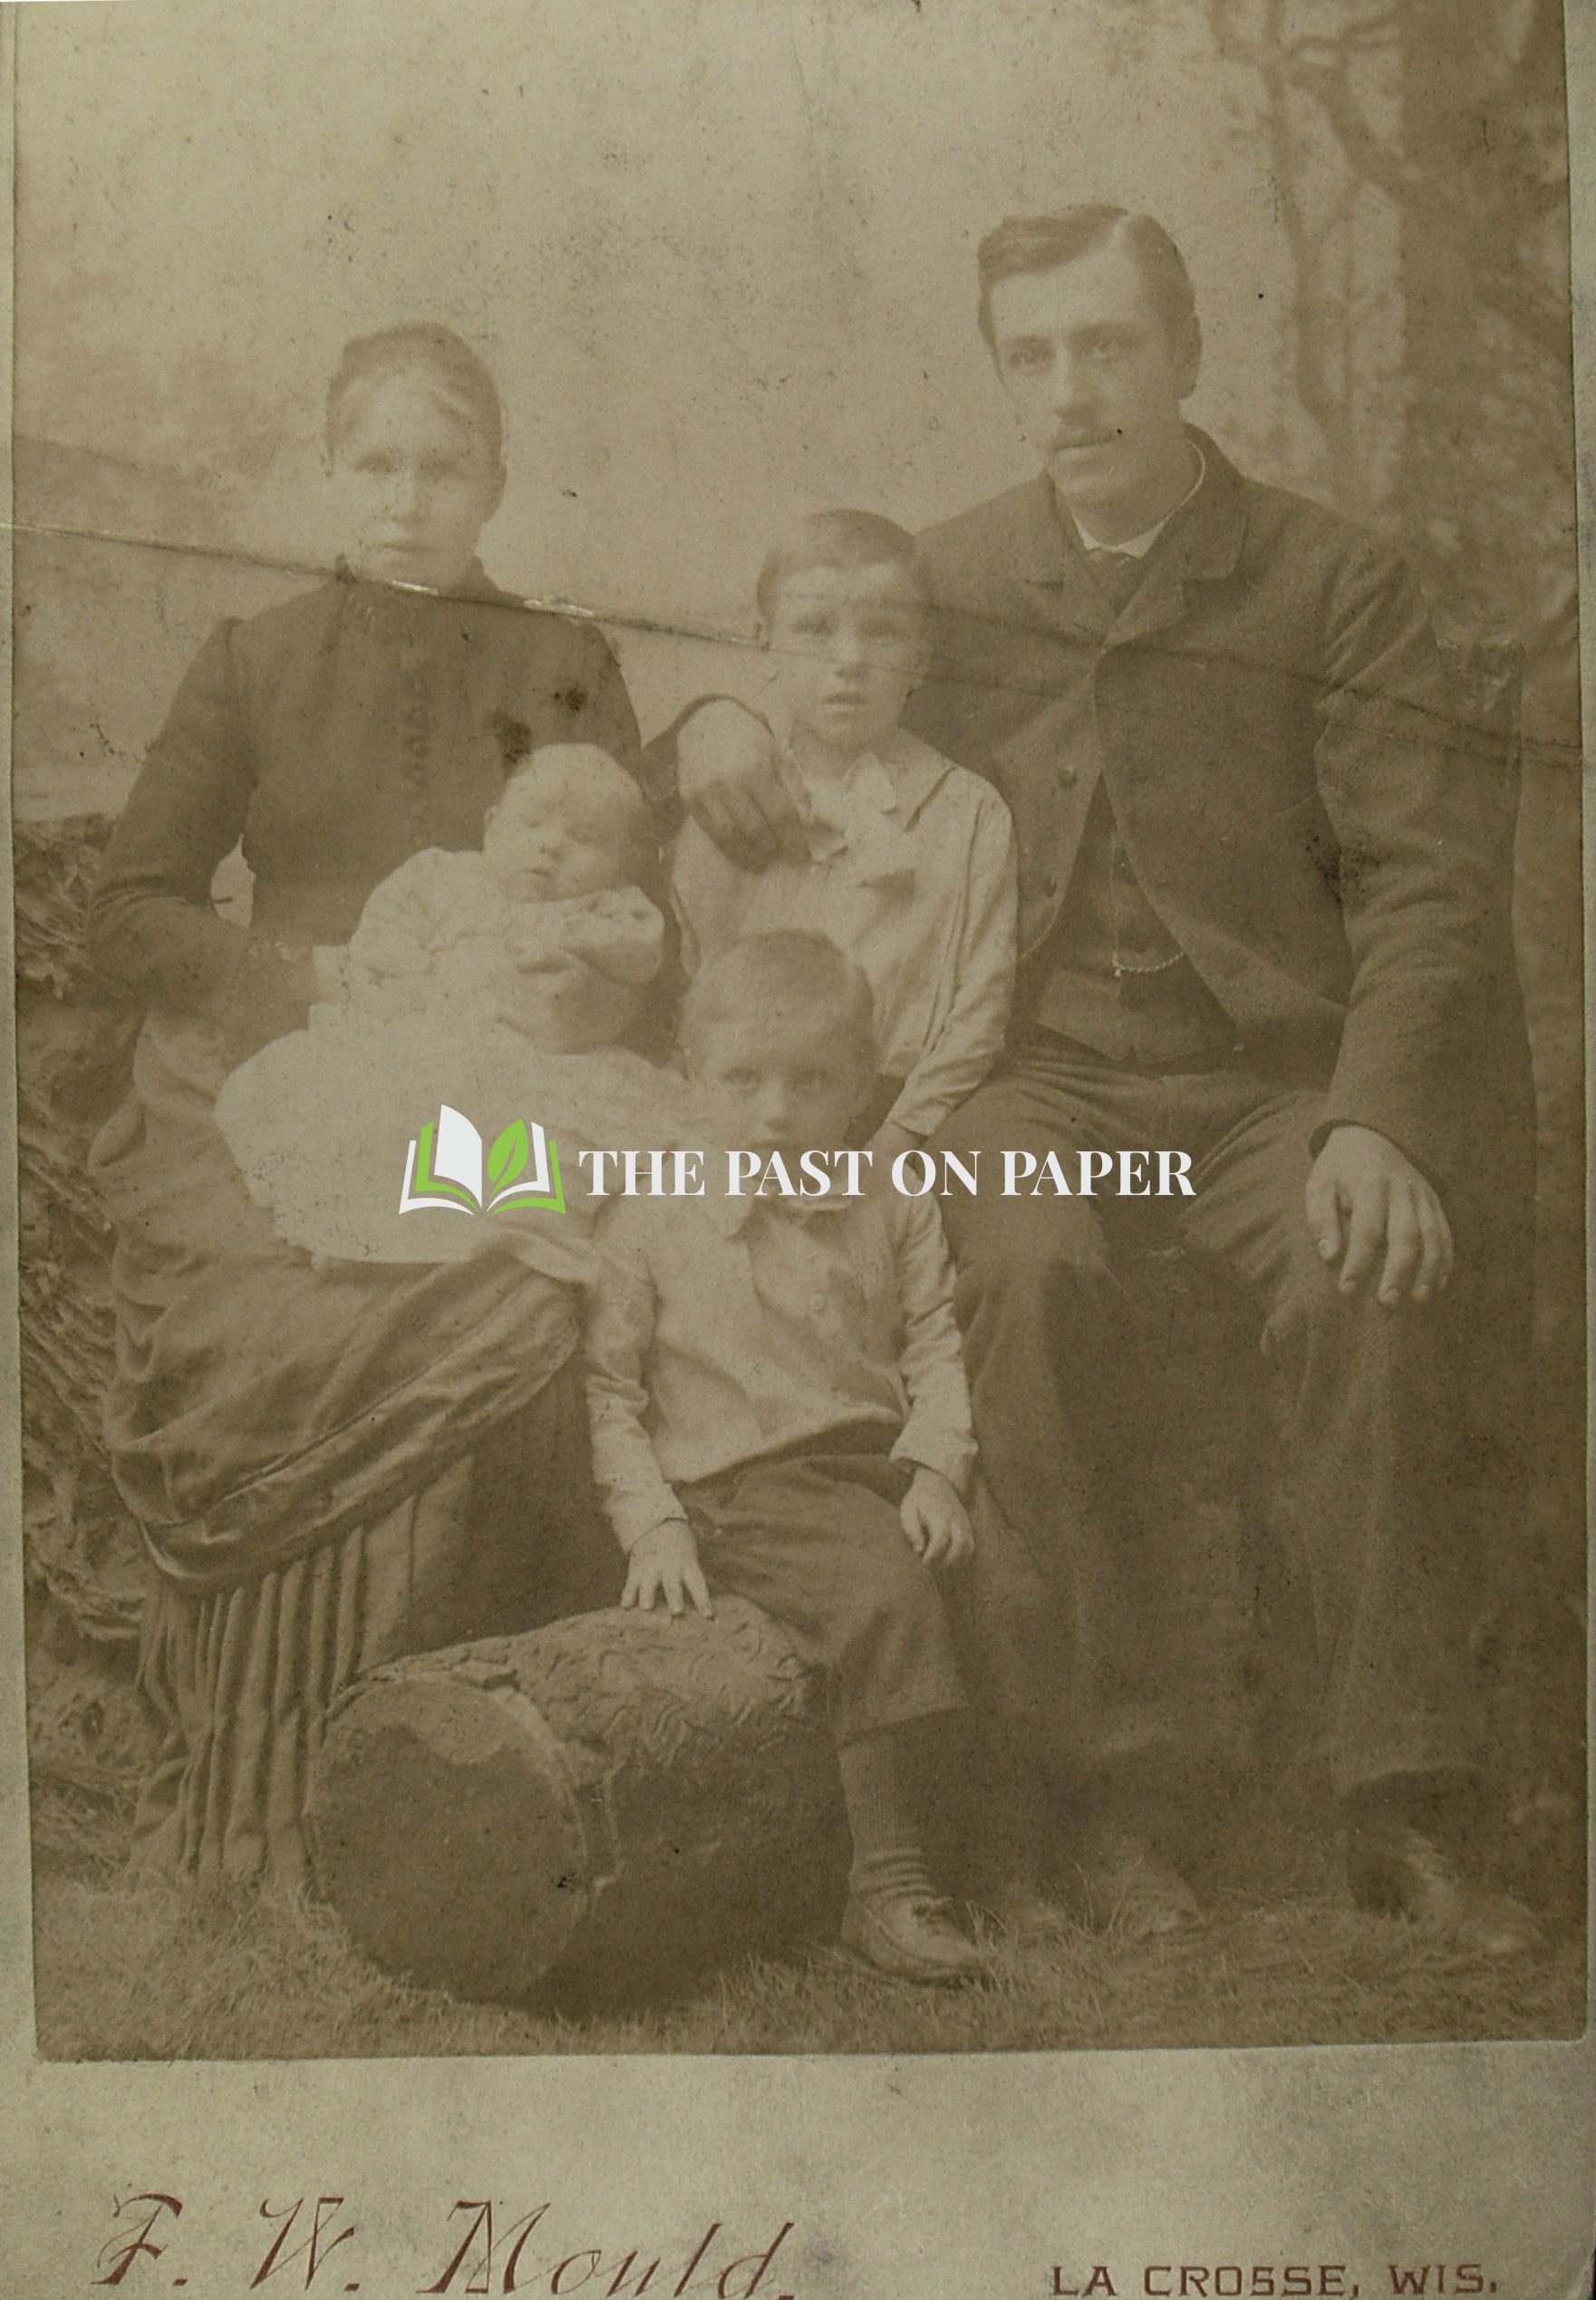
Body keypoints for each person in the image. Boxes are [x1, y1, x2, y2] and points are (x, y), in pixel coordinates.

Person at [664, 208, 1540, 1955]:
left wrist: (1373, 1116)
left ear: (1187, 354)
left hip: (1271, 1084)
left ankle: (1408, 1807)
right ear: (1002, 372)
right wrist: (708, 728)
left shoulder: (1327, 576)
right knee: (1023, 1266)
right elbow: (803, 664)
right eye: (1031, 356)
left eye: (1106, 347)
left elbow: (1429, 878)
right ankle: (1099, 1800)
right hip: (1042, 1080)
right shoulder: (959, 575)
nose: (1070, 391)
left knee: (1363, 1276)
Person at [86, 321, 658, 1890]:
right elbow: (129, 912)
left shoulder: (565, 662)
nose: (407, 500)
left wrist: (551, 995)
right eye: (376, 465)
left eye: (442, 467)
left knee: (523, 1271)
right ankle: (264, 1793)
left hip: (510, 1059)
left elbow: (634, 910)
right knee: (290, 1320)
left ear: (492, 485)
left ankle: (476, 1780)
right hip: (286, 1072)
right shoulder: (253, 658)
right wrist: (310, 979)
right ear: (331, 474)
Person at [584, 932, 991, 1985]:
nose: (777, 1112)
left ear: (862, 1083)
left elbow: (935, 1344)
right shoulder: (652, 1213)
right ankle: (888, 1884)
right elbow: (612, 1392)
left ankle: (1013, 1850)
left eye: (812, 1081)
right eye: (744, 1079)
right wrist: (656, 1521)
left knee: (1012, 1579)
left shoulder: (889, 1200)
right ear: (692, 1076)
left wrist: (940, 1465)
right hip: (737, 1484)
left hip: (874, 1464)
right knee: (884, 1591)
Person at [216, 740, 676, 1268]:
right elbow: (384, 936)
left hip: (539, 1064)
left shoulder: (609, 909)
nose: (551, 847)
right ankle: (350, 1234)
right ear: (492, 826)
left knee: (539, 1156)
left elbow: (639, 957)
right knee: (363, 1121)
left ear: (621, 865)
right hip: (425, 1034)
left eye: (585, 839)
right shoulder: (442, 878)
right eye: (532, 824)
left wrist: (574, 945)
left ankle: (469, 1240)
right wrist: (410, 980)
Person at [671, 510, 1017, 1172]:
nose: (849, 660)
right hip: (725, 1125)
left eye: (882, 633)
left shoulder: (968, 814)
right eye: (814, 630)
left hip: (889, 1128)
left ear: (921, 655)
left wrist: (893, 1148)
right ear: (762, 644)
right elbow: (687, 974)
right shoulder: (728, 792)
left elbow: (977, 1014)